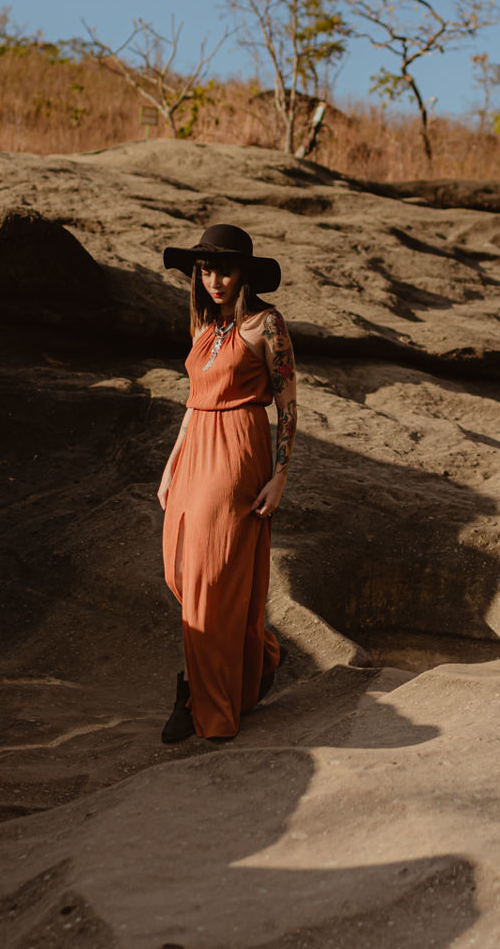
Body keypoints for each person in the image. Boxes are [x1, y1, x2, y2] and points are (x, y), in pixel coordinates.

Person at [155, 224, 296, 742]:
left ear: (245, 274)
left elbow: (288, 405)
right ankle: (260, 654)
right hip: (194, 451)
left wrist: (280, 476)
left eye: (226, 270)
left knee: (209, 582)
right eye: (207, 270)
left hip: (237, 451)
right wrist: (172, 462)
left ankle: (200, 700)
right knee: (180, 569)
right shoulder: (203, 323)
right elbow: (195, 400)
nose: (216, 279)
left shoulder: (267, 325)